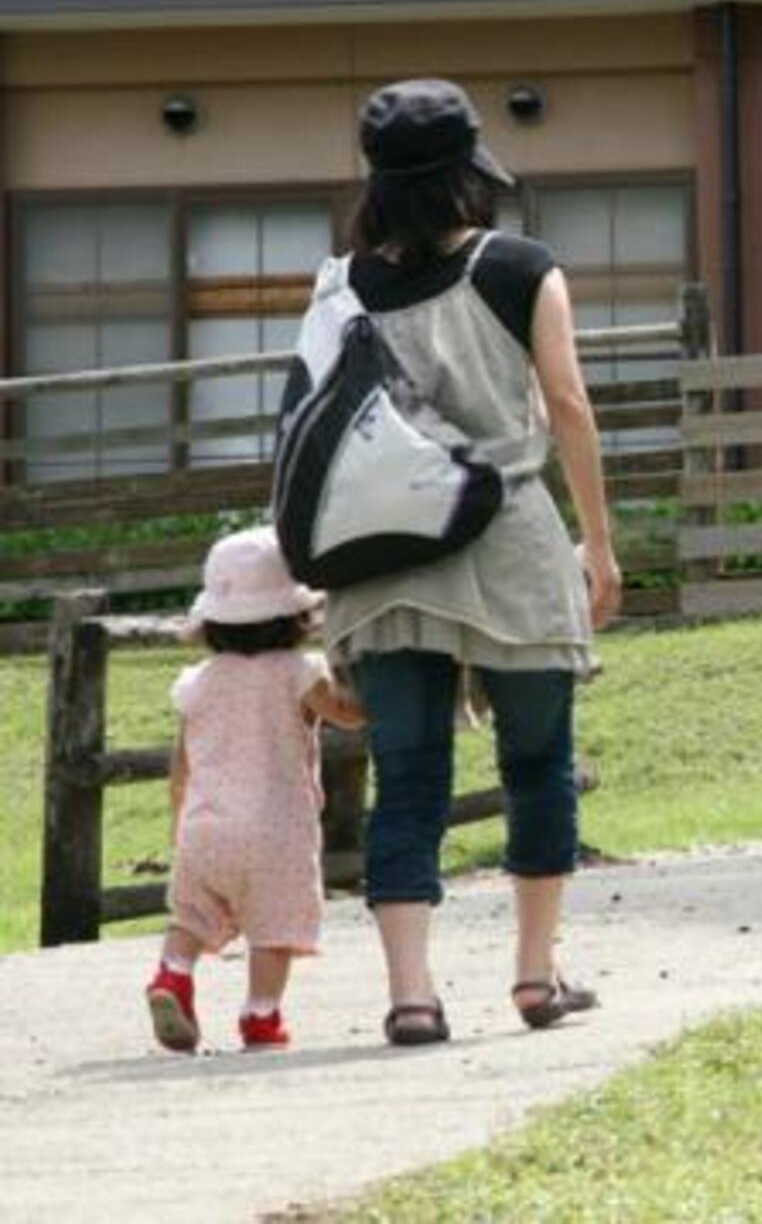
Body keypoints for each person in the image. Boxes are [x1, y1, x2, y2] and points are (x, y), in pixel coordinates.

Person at [322, 79, 622, 1046]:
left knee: (408, 778)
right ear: (466, 174)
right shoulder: (522, 267)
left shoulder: (343, 283)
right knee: (539, 764)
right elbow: (569, 408)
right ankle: (536, 980)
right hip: (512, 547)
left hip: (385, 559)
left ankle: (411, 997)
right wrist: (601, 546)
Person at [145, 527, 365, 1053]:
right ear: (295, 615)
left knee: (190, 917)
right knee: (275, 923)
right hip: (275, 831)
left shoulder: (198, 681)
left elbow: (182, 767)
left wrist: (180, 824)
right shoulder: (298, 671)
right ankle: (261, 1015)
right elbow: (349, 717)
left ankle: (173, 974)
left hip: (205, 828)